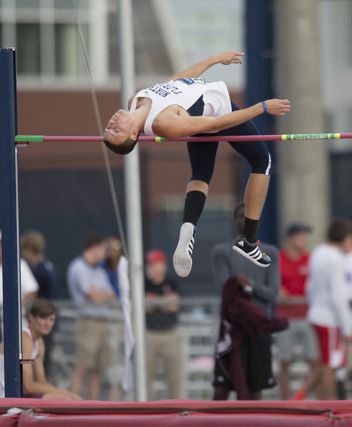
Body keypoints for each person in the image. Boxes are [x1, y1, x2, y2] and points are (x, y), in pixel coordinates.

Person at [104, 51, 290, 277]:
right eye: (116, 131)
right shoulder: (163, 123)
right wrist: (261, 107)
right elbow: (216, 123)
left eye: (109, 128)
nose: (112, 123)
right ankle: (249, 240)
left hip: (202, 112)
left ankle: (188, 226)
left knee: (201, 174)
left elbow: (179, 81)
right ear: (134, 134)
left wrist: (215, 59)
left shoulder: (135, 100)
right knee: (263, 161)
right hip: (218, 111)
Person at [211, 201, 280, 400]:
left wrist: (248, 285)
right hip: (232, 328)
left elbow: (272, 294)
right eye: (241, 215)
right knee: (221, 389)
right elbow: (227, 292)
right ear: (235, 220)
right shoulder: (222, 252)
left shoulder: (271, 253)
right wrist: (246, 288)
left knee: (254, 390)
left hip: (258, 328)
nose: (246, 219)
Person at [0, 298, 80, 399]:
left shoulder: (39, 343)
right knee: (64, 398)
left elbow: (41, 382)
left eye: (51, 319)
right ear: (31, 318)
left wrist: (66, 393)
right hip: (4, 398)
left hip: (19, 395)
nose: (48, 324)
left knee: (71, 398)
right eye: (43, 318)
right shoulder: (25, 338)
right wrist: (64, 393)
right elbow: (28, 386)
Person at [215, 275, 288, 400]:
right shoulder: (223, 255)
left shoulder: (268, 255)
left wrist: (251, 285)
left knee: (255, 387)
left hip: (257, 333)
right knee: (222, 387)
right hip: (235, 336)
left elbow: (273, 295)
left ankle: (251, 419)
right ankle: (213, 420)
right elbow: (226, 289)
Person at [67, 233, 117, 400]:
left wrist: (100, 295)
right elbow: (93, 297)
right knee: (82, 367)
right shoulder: (78, 267)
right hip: (88, 323)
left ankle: (93, 405)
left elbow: (112, 295)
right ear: (95, 248)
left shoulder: (99, 271)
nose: (106, 254)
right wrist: (102, 296)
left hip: (102, 323)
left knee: (97, 369)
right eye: (104, 249)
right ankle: (72, 404)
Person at [306, 219, 352, 400]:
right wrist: (347, 328)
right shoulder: (335, 258)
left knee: (327, 362)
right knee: (330, 364)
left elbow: (309, 287)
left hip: (317, 313)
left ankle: (321, 401)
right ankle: (329, 403)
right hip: (330, 318)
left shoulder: (318, 252)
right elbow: (338, 295)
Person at [275, 223, 319, 400]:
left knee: (316, 362)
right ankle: (286, 403)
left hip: (308, 317)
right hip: (285, 318)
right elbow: (274, 286)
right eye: (301, 236)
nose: (304, 240)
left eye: (305, 236)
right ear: (290, 239)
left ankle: (298, 398)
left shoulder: (311, 259)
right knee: (284, 362)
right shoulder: (278, 259)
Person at [20, 230, 60, 379]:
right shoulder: (47, 267)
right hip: (45, 319)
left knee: (42, 365)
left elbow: (34, 296)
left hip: (42, 320)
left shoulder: (40, 270)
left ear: (29, 249)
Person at [144, 249, 180, 400]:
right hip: (149, 333)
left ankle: (176, 405)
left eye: (154, 264)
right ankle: (146, 407)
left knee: (173, 375)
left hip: (169, 333)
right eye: (149, 264)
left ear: (162, 265)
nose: (150, 267)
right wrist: (164, 301)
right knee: (146, 374)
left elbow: (174, 305)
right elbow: (144, 305)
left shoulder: (171, 282)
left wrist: (154, 301)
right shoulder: (144, 283)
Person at [0, 229, 39, 328]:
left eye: (2, 245)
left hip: (16, 321)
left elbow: (32, 293)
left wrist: (15, 304)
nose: (0, 249)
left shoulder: (20, 265)